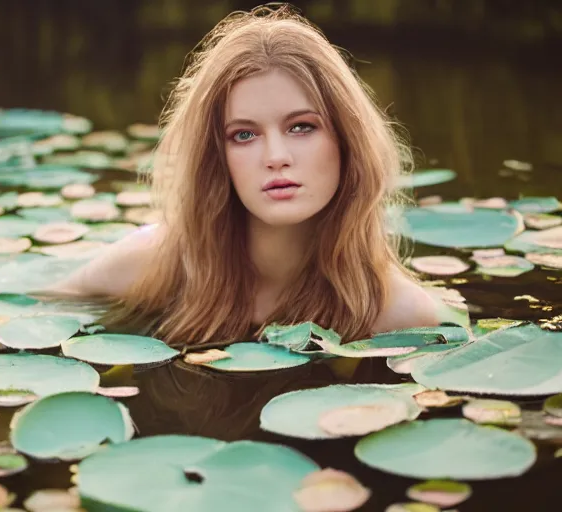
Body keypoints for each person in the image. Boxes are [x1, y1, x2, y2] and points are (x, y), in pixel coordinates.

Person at [46, 4, 440, 346]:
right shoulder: (151, 264)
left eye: (301, 127)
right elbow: (40, 316)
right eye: (244, 134)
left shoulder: (402, 316)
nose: (276, 157)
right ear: (217, 158)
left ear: (347, 140)